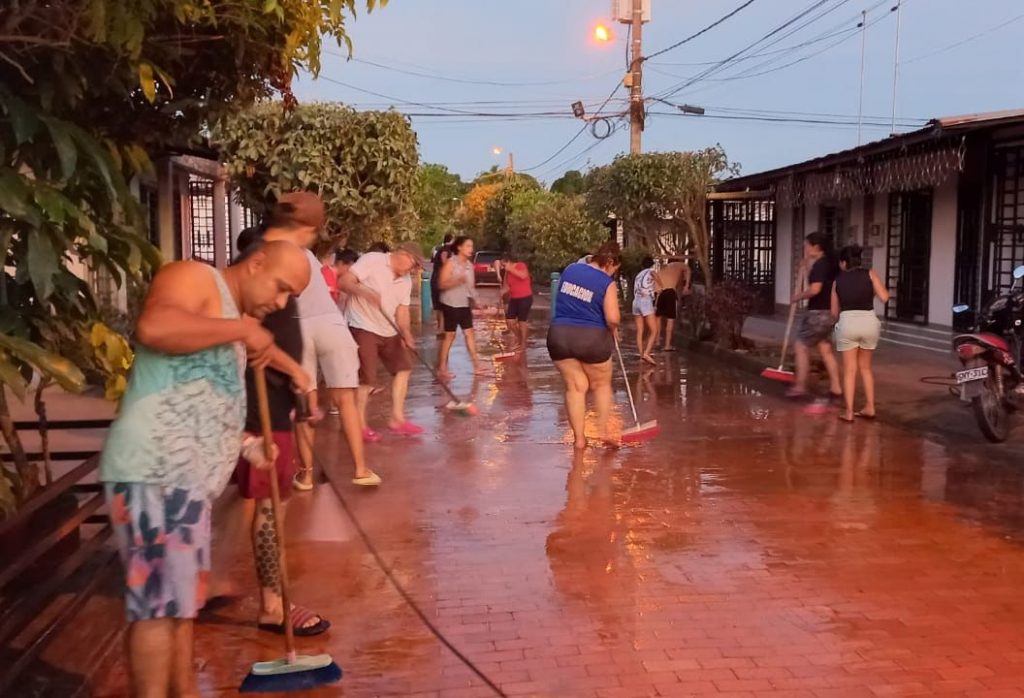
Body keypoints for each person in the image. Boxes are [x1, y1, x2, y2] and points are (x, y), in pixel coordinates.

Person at [100, 240, 311, 698]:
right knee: (158, 610)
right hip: (154, 470)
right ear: (256, 263)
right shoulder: (193, 277)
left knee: (180, 608)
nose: (278, 304)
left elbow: (196, 396)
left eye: (288, 298)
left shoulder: (233, 321)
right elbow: (154, 326)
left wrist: (247, 444)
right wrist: (240, 329)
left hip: (186, 483)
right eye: (280, 288)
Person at [231, 232, 330, 639]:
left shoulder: (269, 285)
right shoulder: (241, 292)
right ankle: (273, 605)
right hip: (259, 415)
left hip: (274, 407)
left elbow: (260, 341)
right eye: (282, 290)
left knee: (272, 503)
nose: (282, 302)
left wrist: (296, 373)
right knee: (268, 506)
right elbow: (246, 334)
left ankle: (248, 591)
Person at [260, 192, 380, 487]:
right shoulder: (307, 255)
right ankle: (361, 469)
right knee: (347, 401)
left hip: (297, 329)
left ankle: (306, 473)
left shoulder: (266, 253)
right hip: (330, 324)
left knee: (306, 402)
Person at [339, 242, 426, 440]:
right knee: (367, 378)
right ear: (403, 254)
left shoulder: (405, 282)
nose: (413, 270)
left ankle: (397, 418)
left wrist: (406, 333)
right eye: (413, 264)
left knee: (403, 368)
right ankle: (359, 425)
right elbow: (344, 282)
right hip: (362, 324)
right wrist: (365, 293)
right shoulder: (373, 260)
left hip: (388, 329)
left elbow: (402, 311)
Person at [546, 241, 622, 449]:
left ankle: (580, 440)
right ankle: (605, 432)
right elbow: (613, 318)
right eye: (614, 270)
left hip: (559, 336)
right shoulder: (606, 283)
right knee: (601, 384)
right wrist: (615, 328)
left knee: (576, 386)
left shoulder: (571, 269)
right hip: (591, 338)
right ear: (610, 263)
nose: (613, 274)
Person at [832, 244, 890, 421]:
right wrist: (868, 293)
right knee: (866, 368)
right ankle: (870, 407)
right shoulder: (870, 274)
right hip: (869, 323)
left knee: (850, 370)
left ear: (843, 263)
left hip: (848, 323)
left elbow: (834, 312)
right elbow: (885, 297)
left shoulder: (837, 281)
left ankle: (849, 412)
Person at [789, 232, 842, 399]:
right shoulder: (830, 264)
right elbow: (818, 282)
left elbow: (815, 289)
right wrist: (806, 267)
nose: (805, 248)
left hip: (818, 313)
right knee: (825, 350)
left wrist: (797, 297)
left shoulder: (821, 265)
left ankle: (800, 386)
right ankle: (836, 388)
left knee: (801, 346)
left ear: (816, 247)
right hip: (830, 313)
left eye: (806, 245)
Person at [437, 235, 484, 378]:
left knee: (469, 333)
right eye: (468, 246)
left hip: (464, 303)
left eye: (471, 246)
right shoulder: (451, 263)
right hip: (450, 303)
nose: (471, 249)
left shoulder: (470, 266)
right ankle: (442, 368)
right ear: (459, 247)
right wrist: (457, 280)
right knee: (450, 335)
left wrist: (477, 301)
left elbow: (471, 287)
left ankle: (477, 366)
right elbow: (441, 284)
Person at [655, 258, 692, 352]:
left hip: (659, 292)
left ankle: (657, 341)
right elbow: (688, 269)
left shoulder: (663, 269)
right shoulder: (679, 265)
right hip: (670, 292)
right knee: (670, 319)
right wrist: (686, 286)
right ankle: (667, 345)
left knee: (658, 317)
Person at [499, 252, 533, 352]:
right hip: (514, 298)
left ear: (508, 262)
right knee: (510, 321)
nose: (503, 267)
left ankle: (523, 344)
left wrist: (512, 269)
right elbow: (507, 286)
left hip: (525, 297)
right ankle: (520, 339)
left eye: (504, 265)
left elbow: (523, 276)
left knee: (522, 321)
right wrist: (502, 292)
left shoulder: (520, 265)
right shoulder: (507, 273)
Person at [632, 256, 659, 365]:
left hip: (636, 302)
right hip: (645, 301)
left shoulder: (638, 275)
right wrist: (660, 286)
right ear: (652, 264)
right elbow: (656, 277)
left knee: (640, 331)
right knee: (654, 330)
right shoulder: (651, 271)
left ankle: (641, 354)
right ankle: (647, 353)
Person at [430, 234, 454, 336]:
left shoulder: (440, 249)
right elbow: (445, 263)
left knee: (439, 306)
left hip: (435, 280)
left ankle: (440, 328)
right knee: (443, 306)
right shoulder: (446, 250)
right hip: (440, 281)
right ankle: (441, 329)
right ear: (451, 240)